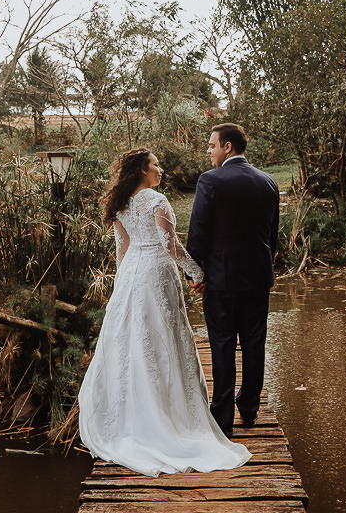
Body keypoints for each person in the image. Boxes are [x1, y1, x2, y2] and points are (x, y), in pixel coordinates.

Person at [78, 148, 250, 477]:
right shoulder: (157, 201)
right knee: (164, 336)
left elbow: (122, 249)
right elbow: (171, 246)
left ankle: (132, 414)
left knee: (134, 340)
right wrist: (197, 273)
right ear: (143, 170)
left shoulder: (120, 203)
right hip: (157, 273)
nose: (161, 170)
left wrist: (121, 285)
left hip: (131, 274)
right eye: (156, 165)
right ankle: (170, 417)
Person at [186, 123, 280, 436]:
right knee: (254, 344)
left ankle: (223, 417)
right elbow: (272, 236)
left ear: (228, 147)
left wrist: (195, 273)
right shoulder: (268, 181)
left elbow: (198, 232)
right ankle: (250, 409)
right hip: (258, 278)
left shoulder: (210, 180)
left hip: (221, 280)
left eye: (212, 145)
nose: (208, 151)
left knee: (222, 345)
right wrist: (263, 267)